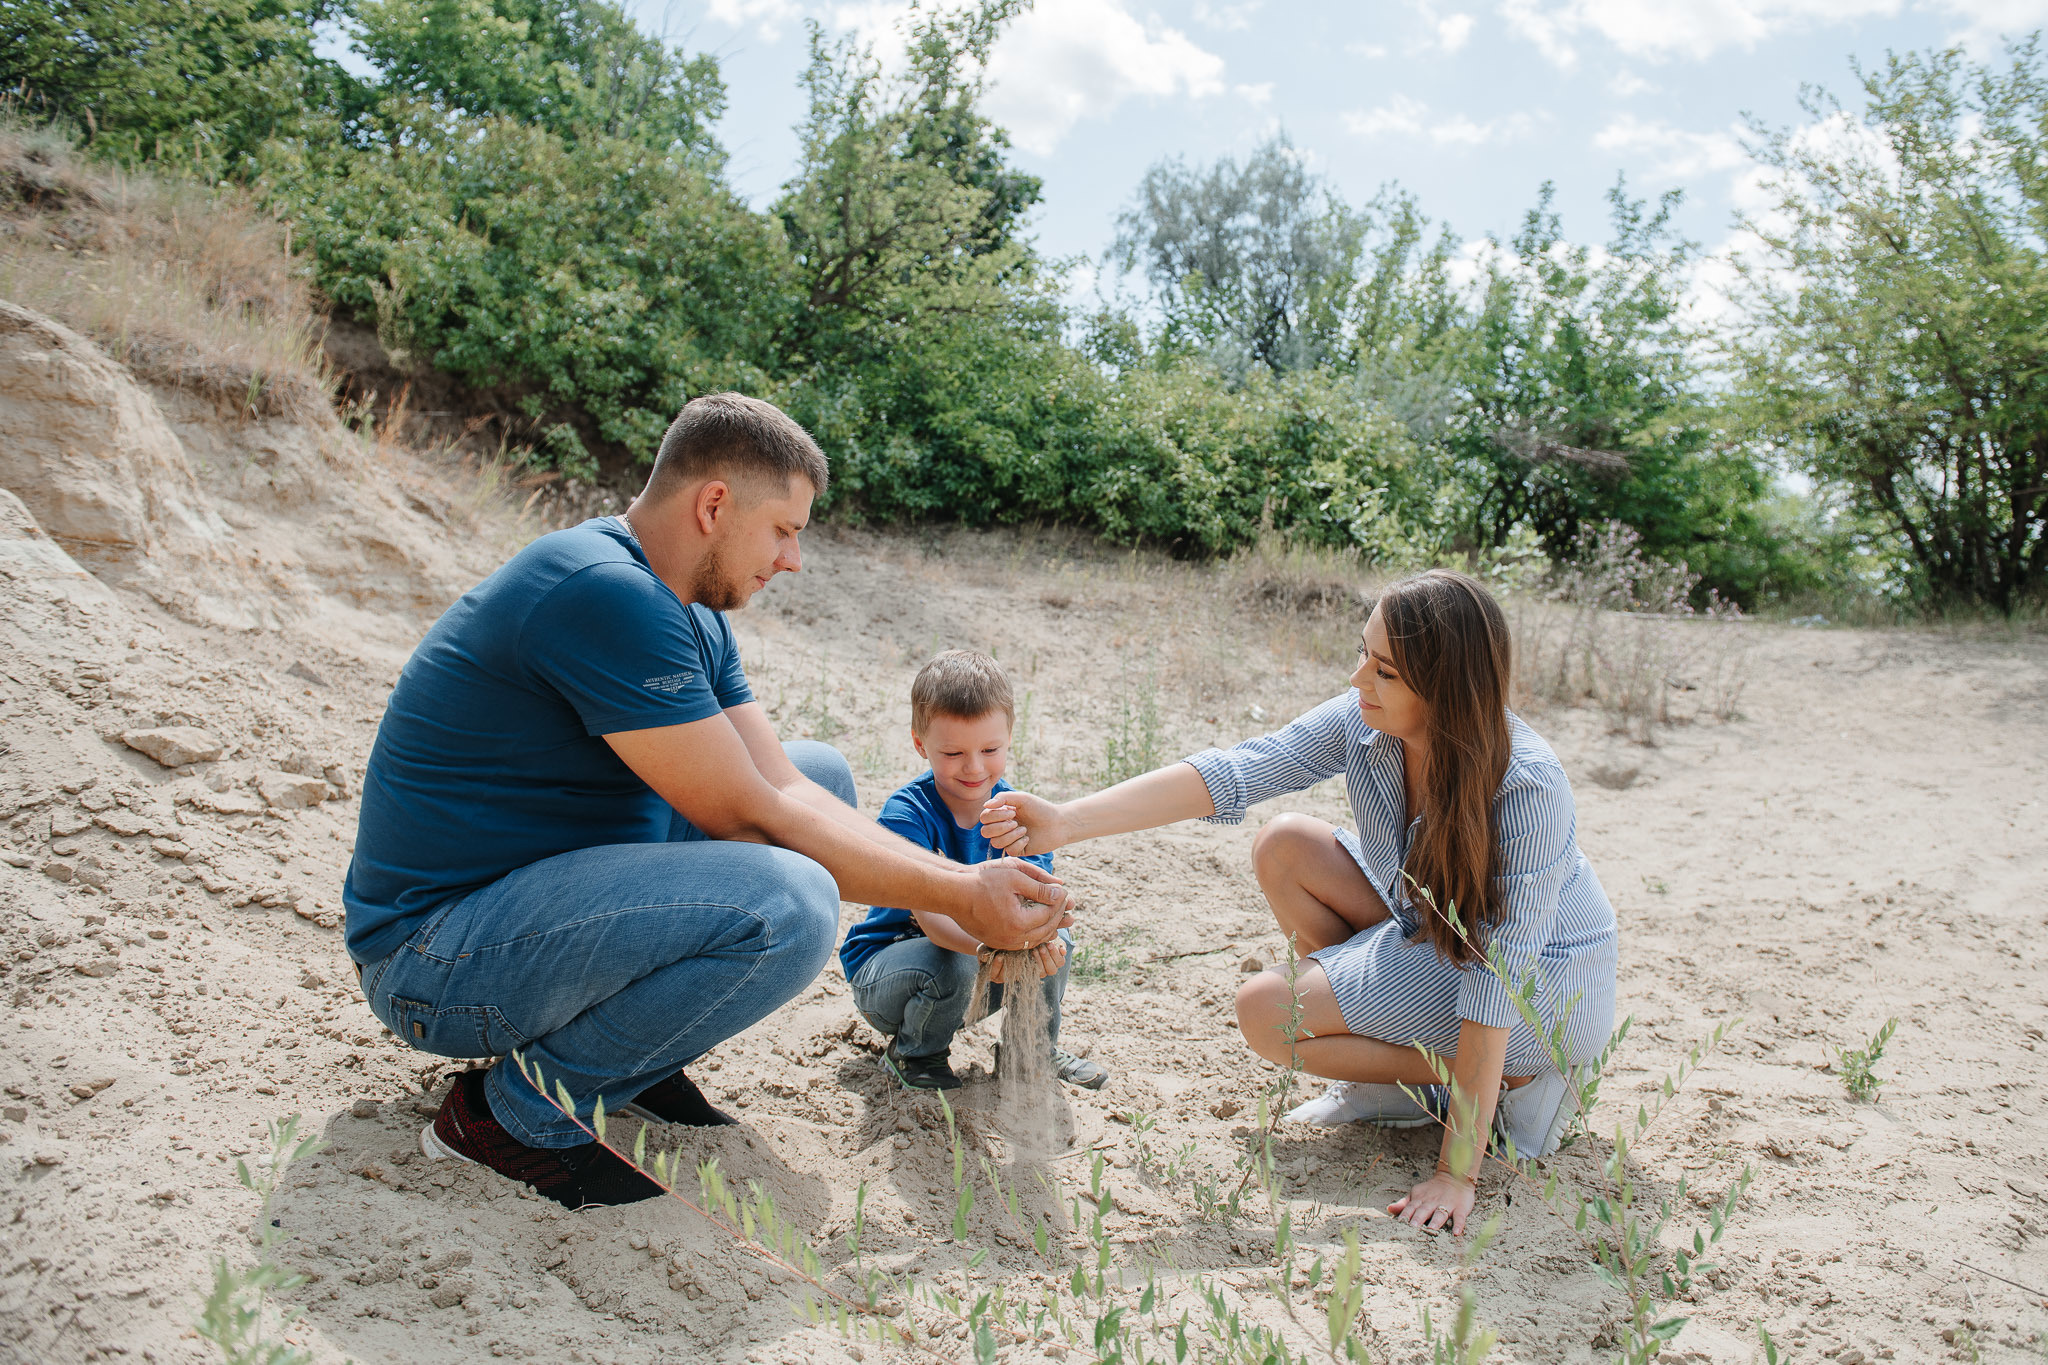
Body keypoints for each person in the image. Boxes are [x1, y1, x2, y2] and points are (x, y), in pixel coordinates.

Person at [342, 393, 1072, 1209]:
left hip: (529, 911)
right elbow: (748, 815)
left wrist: (961, 885)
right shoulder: (603, 590)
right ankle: (512, 1115)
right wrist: (963, 894)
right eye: (784, 529)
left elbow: (786, 788)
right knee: (790, 905)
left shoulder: (684, 605)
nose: (794, 558)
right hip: (435, 960)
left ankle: (632, 1062)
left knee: (822, 770)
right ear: (715, 504)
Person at [979, 569, 1617, 1237]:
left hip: (1546, 990)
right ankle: (1388, 1087)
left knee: (1266, 1014)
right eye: (1362, 652)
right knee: (1284, 845)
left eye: (1386, 670)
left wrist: (1457, 1173)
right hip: (1438, 934)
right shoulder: (1366, 723)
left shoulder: (1528, 785)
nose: (1357, 679)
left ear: (1447, 688)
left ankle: (1517, 1079)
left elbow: (1499, 976)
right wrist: (1066, 820)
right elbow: (1241, 767)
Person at [838, 651, 1110, 1093]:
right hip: (895, 974)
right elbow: (936, 922)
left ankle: (1033, 1050)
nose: (974, 767)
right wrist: (999, 948)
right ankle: (913, 1053)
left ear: (1009, 738)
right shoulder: (908, 813)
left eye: (989, 749)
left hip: (983, 964)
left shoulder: (1017, 813)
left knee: (1053, 938)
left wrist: (1040, 931)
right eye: (953, 752)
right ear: (920, 744)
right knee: (953, 961)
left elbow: (1036, 901)